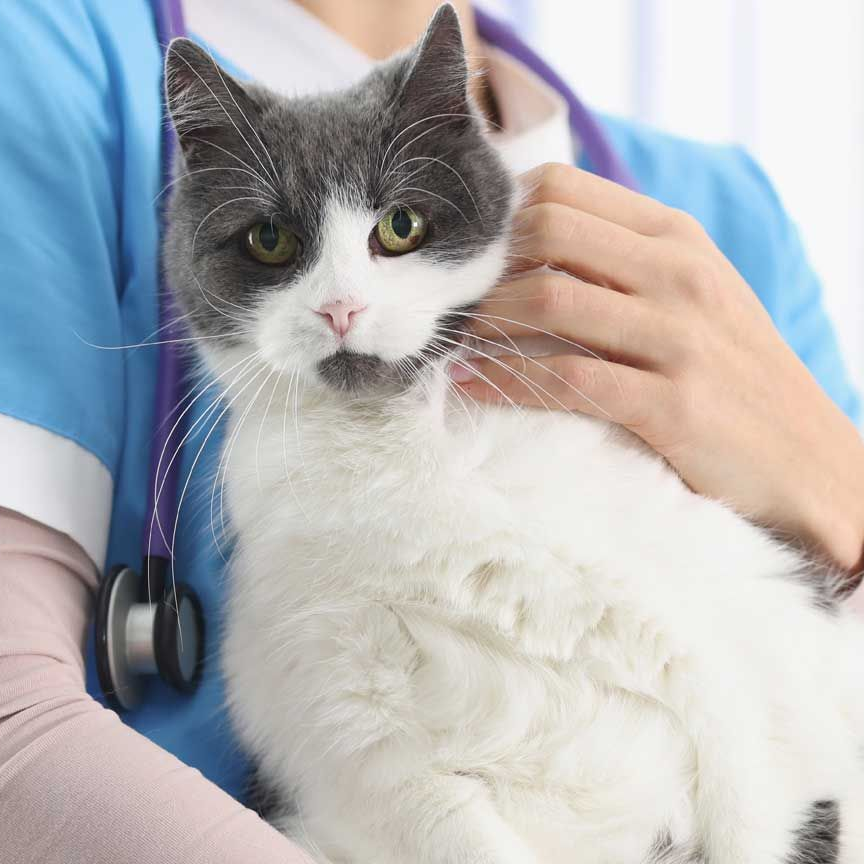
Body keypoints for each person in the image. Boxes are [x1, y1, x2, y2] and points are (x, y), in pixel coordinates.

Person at [0, 1, 862, 861]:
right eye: (270, 241)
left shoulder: (728, 206)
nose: (343, 305)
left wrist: (840, 486)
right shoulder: (53, 57)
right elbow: (14, 726)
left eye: (399, 230)